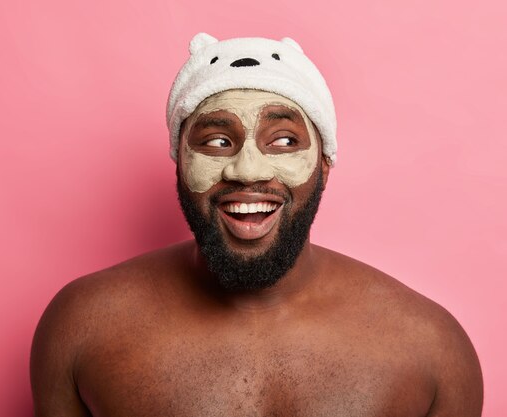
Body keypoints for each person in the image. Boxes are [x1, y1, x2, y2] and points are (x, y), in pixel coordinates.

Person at [30, 33, 483, 417]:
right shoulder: (81, 328)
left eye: (284, 140)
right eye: (218, 140)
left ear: (324, 164)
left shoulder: (433, 350)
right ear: (179, 161)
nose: (247, 170)